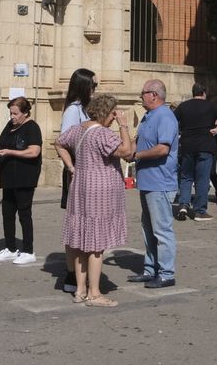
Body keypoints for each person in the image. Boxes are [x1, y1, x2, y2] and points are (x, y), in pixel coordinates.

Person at [57, 94, 134, 306]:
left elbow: (59, 143)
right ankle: (94, 293)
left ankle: (80, 290)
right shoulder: (102, 133)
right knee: (96, 245)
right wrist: (124, 126)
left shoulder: (78, 129)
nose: (114, 118)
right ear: (105, 112)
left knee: (82, 242)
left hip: (80, 188)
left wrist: (71, 166)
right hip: (99, 192)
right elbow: (126, 151)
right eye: (113, 113)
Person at [131, 79, 179, 288]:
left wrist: (137, 155)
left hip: (160, 182)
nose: (140, 96)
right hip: (147, 182)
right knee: (148, 229)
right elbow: (137, 141)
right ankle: (150, 269)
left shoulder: (165, 116)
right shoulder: (147, 116)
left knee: (162, 230)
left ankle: (166, 273)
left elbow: (163, 149)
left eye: (142, 93)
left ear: (153, 95)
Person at [0, 97, 43, 264]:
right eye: (10, 113)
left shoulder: (32, 127)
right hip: (8, 178)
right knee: (7, 213)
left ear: (25, 113)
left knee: (24, 214)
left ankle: (28, 251)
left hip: (24, 177)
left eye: (15, 113)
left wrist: (11, 152)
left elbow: (34, 151)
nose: (12, 117)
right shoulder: (10, 126)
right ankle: (10, 248)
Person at [174, 83, 217, 221]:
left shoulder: (183, 106)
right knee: (202, 179)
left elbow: (172, 120)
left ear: (193, 92)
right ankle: (200, 211)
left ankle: (183, 205)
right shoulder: (211, 106)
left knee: (186, 177)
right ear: (204, 93)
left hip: (187, 145)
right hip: (205, 145)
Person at [58, 68, 96, 212]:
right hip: (77, 167)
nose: (94, 89)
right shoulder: (73, 110)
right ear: (83, 86)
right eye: (93, 85)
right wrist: (71, 167)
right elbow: (64, 142)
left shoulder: (85, 109)